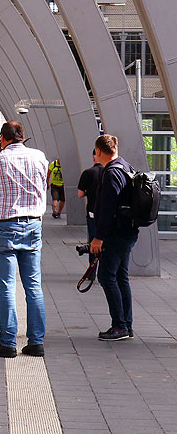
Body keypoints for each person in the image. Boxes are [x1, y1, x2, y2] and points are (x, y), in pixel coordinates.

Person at [0, 121, 49, 358]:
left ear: (2, 139)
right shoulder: (39, 157)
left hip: (5, 226)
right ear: (22, 137)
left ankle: (7, 343)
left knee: (6, 285)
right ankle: (36, 343)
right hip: (33, 224)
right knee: (33, 285)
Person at [90, 134, 140, 341]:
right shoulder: (125, 166)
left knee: (106, 276)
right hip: (128, 231)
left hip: (116, 234)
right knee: (121, 277)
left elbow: (108, 209)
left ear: (98, 151)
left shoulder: (111, 173)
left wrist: (98, 237)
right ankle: (126, 325)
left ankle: (119, 326)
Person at [77, 149, 103, 265]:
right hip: (108, 214)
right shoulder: (110, 172)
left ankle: (92, 269)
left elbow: (80, 194)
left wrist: (89, 191)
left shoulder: (88, 173)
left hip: (92, 212)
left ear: (93, 158)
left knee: (93, 240)